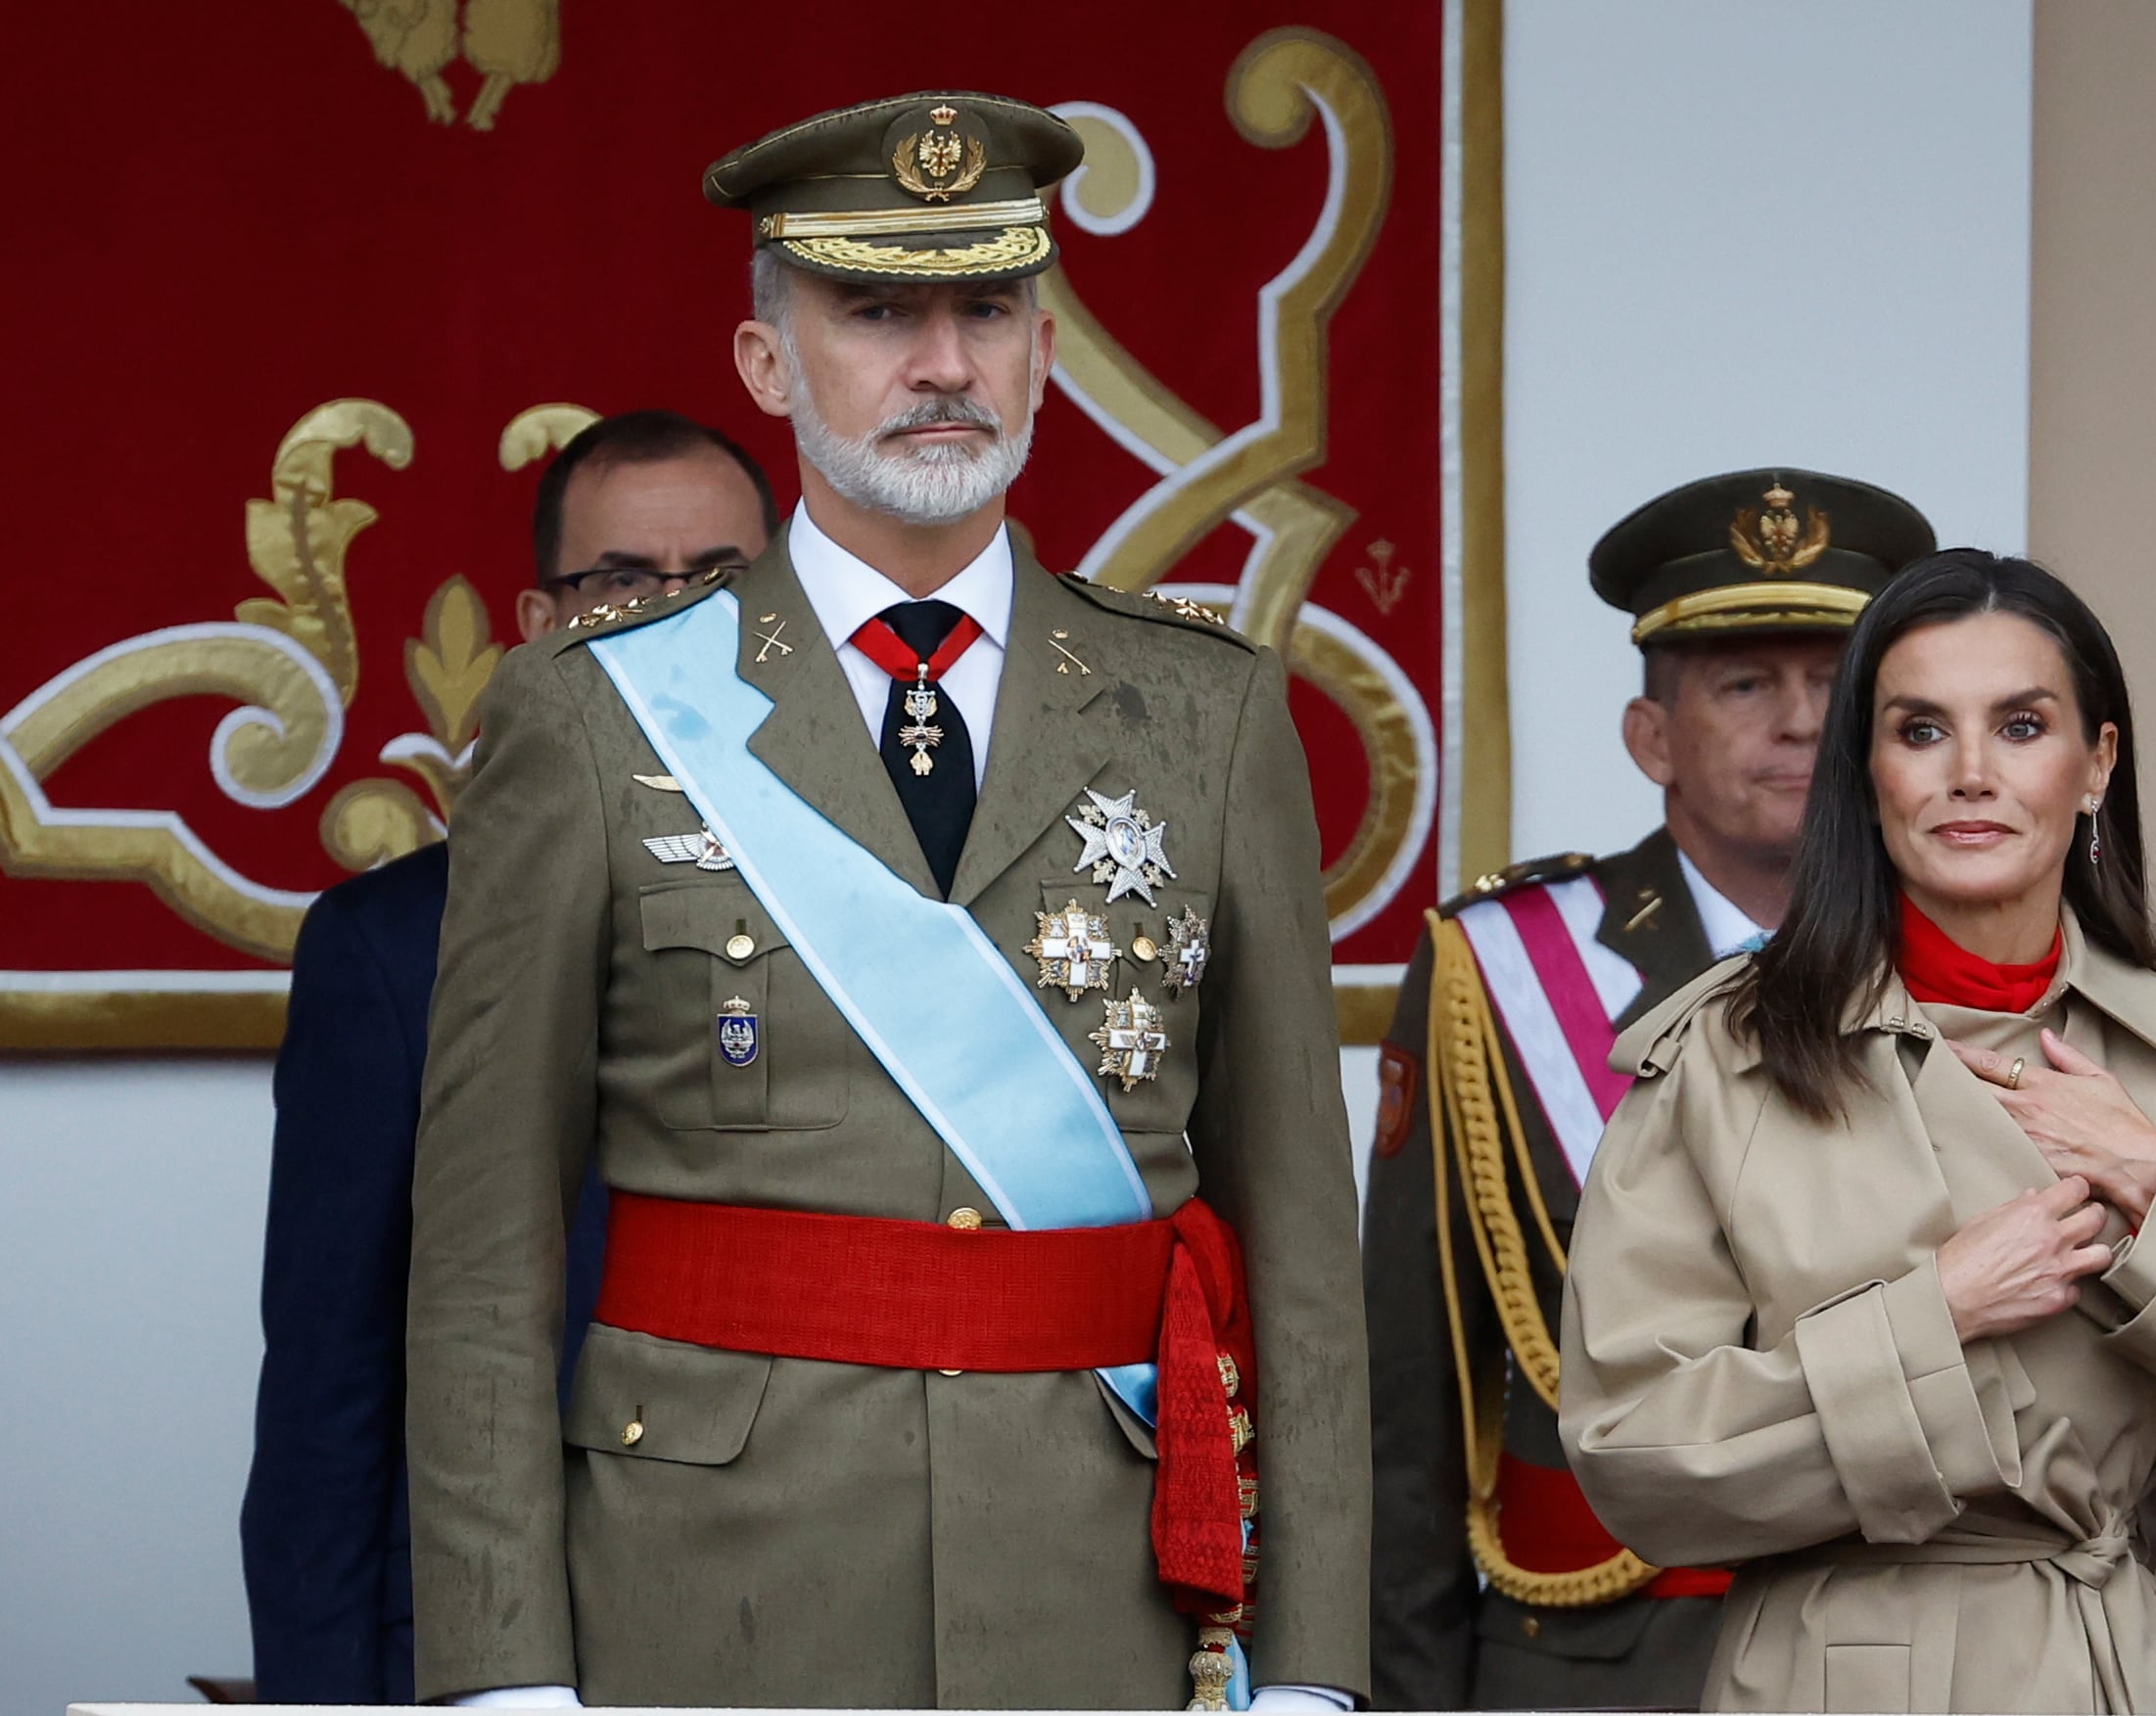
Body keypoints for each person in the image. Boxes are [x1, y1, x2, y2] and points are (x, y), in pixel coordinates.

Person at [403, 92, 1368, 1711]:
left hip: (1101, 1588)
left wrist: (1320, 1669)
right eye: (876, 311)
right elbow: (485, 1246)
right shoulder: (590, 716)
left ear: (1044, 346)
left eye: (984, 309)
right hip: (706, 1586)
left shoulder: (1206, 712)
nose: (942, 363)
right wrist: (506, 1677)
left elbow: (1300, 1247)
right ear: (768, 365)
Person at [1558, 550, 2156, 1712]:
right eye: (1920, 731)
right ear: (1865, 773)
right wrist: (1937, 1313)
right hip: (1831, 1671)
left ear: (2096, 764)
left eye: (2021, 726)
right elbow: (1636, 1463)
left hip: (2102, 1666)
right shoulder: (1727, 1057)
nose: (1972, 774)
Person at [1363, 471, 1934, 1709]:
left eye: (1836, 684)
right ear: (1651, 737)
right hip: (1596, 1664)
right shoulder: (1501, 967)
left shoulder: (1975, 957)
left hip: (1916, 1644)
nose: (1800, 723)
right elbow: (1414, 1398)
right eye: (1744, 683)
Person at [239, 409, 778, 1703]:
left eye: (720, 578)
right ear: (542, 624)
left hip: (807, 1617)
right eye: (622, 583)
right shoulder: (391, 949)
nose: (674, 615)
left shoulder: (899, 917)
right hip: (504, 1644)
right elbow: (327, 1393)